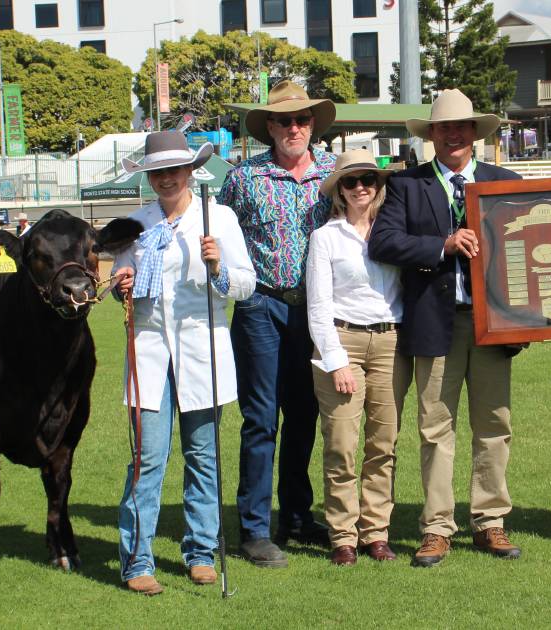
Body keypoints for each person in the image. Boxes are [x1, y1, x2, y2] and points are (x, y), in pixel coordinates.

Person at [370, 89, 525, 567]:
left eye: (461, 127)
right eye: (443, 128)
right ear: (431, 135)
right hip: (436, 323)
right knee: (436, 427)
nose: (453, 135)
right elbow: (384, 241)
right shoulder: (406, 185)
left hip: (494, 323)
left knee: (494, 424)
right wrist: (443, 244)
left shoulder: (506, 182)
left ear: (476, 134)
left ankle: (490, 521)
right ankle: (437, 526)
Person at [111, 131, 256, 595]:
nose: (166, 179)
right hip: (149, 352)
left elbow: (246, 286)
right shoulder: (133, 225)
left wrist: (219, 269)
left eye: (174, 169)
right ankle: (137, 560)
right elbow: (119, 282)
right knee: (146, 459)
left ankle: (199, 551)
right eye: (157, 172)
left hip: (202, 351)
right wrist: (122, 284)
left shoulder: (220, 218)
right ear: (148, 176)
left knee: (203, 457)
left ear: (191, 171)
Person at [216, 80, 337, 568]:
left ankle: (296, 513)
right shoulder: (245, 177)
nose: (293, 127)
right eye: (284, 120)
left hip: (313, 311)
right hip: (260, 307)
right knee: (262, 419)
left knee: (305, 413)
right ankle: (254, 527)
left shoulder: (333, 173)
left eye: (301, 119)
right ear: (269, 126)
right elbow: (221, 232)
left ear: (313, 125)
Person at [306, 149, 407, 565]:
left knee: (383, 445)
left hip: (391, 343)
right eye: (351, 181)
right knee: (342, 445)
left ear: (379, 185)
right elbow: (317, 304)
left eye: (368, 179)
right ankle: (343, 535)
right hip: (342, 340)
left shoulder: (393, 230)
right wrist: (336, 359)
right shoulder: (325, 237)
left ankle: (376, 532)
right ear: (339, 191)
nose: (361, 187)